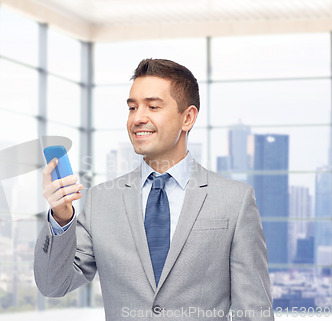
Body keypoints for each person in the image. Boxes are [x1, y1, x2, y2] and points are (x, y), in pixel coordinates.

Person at [35, 58, 274, 320]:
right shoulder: (101, 201)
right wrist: (61, 217)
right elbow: (54, 285)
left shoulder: (234, 200)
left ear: (188, 117)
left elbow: (254, 312)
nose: (138, 118)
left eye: (153, 106)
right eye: (132, 107)